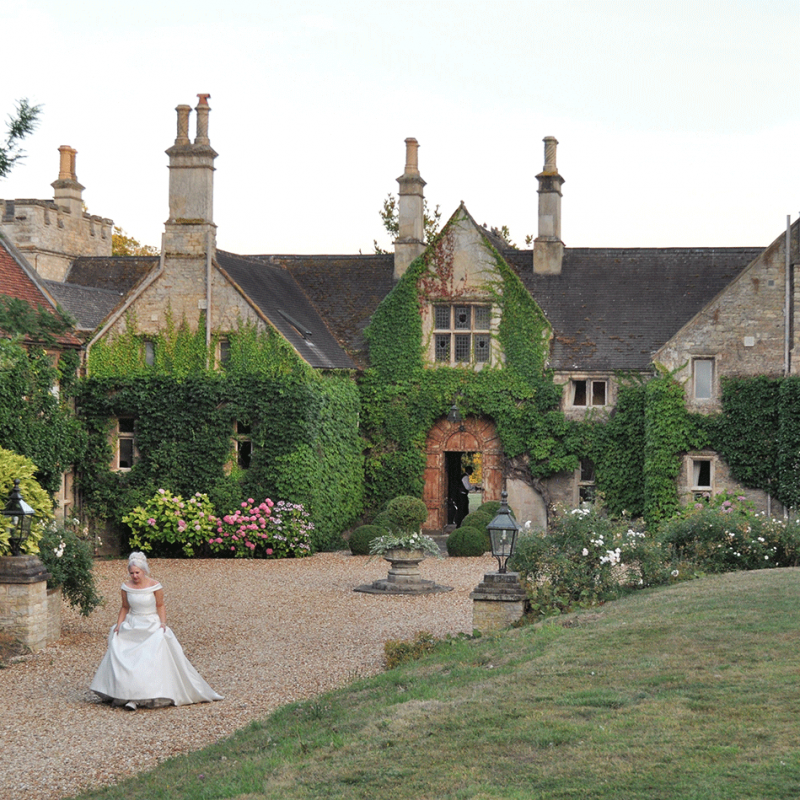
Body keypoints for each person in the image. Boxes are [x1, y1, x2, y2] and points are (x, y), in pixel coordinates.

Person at [90, 552, 223, 709]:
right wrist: (119, 624)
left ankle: (139, 698)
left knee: (148, 657)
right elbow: (125, 607)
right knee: (121, 649)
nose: (134, 576)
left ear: (144, 571)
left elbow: (160, 605)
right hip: (132, 624)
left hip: (150, 623)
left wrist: (162, 623)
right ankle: (125, 693)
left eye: (137, 573)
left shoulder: (155, 586)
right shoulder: (126, 587)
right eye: (131, 573)